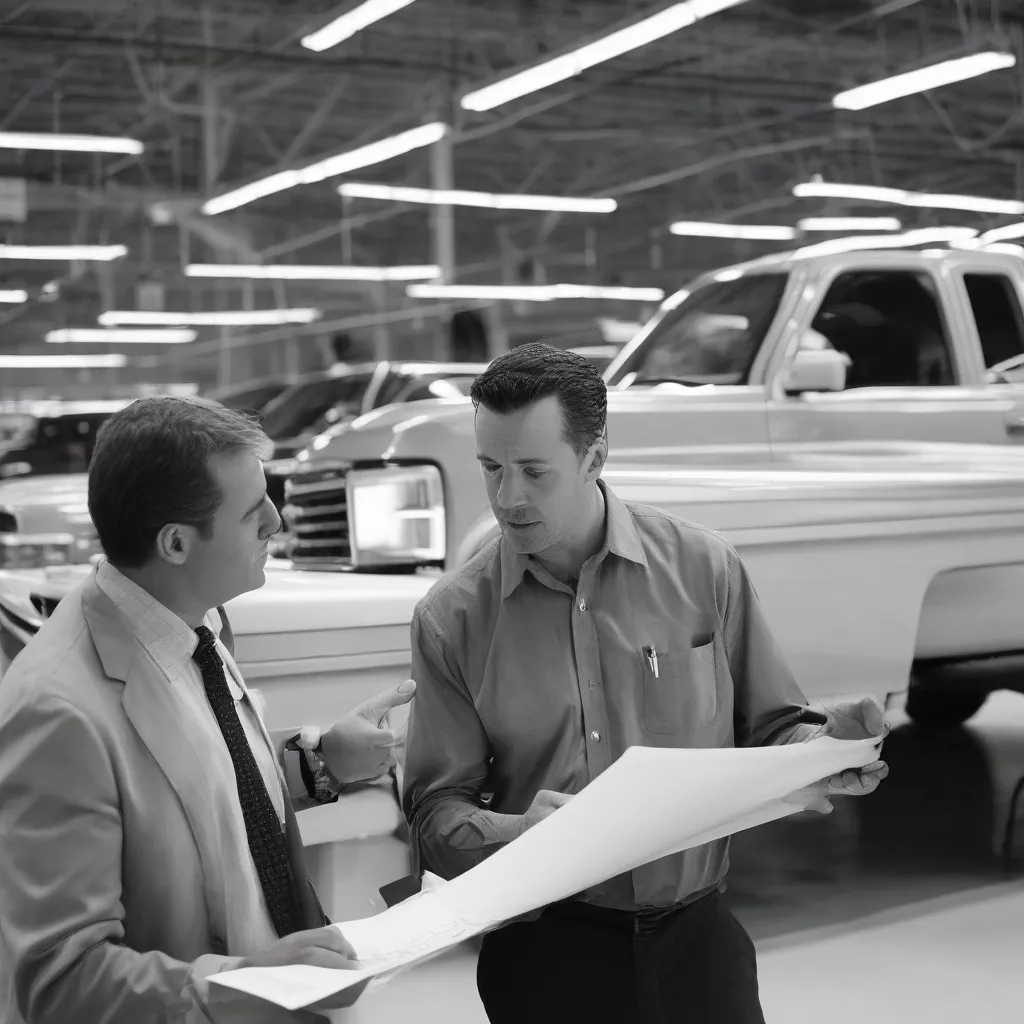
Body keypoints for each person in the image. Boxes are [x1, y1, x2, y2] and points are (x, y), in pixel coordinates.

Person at [402, 344, 888, 1024]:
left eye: (534, 472)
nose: (508, 498)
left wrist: (827, 749)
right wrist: (514, 830)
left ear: (594, 458)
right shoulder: (453, 618)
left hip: (699, 947)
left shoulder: (702, 568)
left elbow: (774, 727)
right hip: (545, 958)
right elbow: (433, 814)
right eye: (492, 469)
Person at [0, 397, 416, 1024]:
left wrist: (319, 764)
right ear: (175, 543)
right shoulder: (57, 712)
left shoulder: (191, 625)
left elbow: (196, 789)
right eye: (254, 512)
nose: (276, 520)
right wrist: (240, 984)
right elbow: (61, 980)